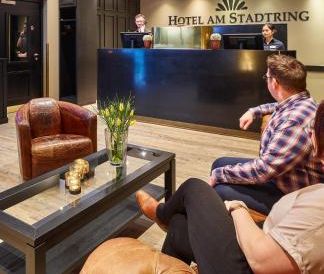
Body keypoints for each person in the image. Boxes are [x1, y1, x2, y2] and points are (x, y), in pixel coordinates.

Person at [136, 103, 324, 273]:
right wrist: (254, 111)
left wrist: (237, 208)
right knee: (177, 225)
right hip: (264, 238)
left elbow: (262, 261)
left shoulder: (319, 205)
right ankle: (167, 218)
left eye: (312, 130)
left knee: (195, 187)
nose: (308, 133)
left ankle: (161, 214)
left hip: (247, 262)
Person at [210, 54, 322, 214]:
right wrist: (254, 111)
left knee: (220, 187)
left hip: (294, 196)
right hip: (284, 175)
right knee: (220, 162)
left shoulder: (293, 122)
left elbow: (262, 171)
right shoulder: (304, 102)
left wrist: (219, 175)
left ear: (275, 83)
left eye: (267, 77)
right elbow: (278, 105)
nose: (266, 80)